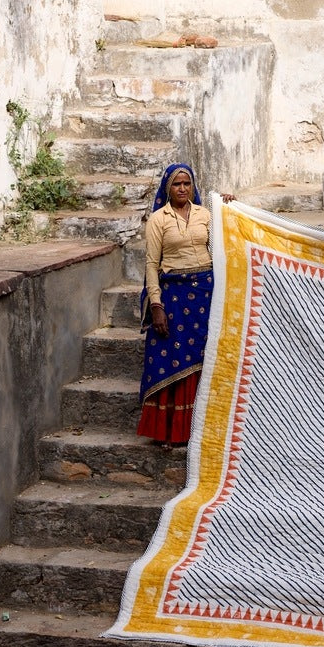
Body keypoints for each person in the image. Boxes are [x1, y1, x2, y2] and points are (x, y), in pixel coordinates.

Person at [137, 163, 214, 444]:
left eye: (187, 183)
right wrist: (156, 305)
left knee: (205, 360)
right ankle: (173, 431)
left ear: (193, 186)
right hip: (174, 297)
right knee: (172, 358)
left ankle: (202, 431)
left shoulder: (206, 215)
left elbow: (223, 244)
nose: (182, 189)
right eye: (176, 184)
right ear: (167, 188)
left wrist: (229, 204)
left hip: (206, 294)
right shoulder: (159, 219)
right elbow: (150, 264)